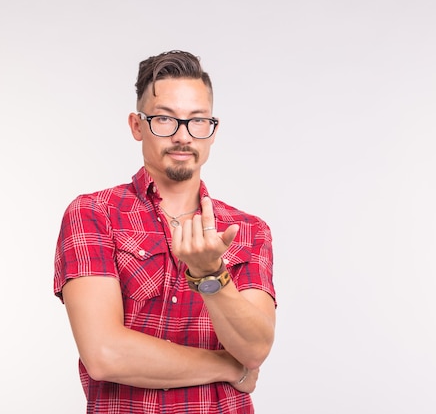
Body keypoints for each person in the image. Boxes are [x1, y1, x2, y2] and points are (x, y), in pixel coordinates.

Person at [53, 50, 277, 414]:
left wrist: (210, 276)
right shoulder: (94, 214)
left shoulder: (249, 230)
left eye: (197, 121)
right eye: (164, 120)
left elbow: (254, 349)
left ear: (212, 131)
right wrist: (228, 367)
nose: (182, 136)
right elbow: (105, 354)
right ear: (137, 126)